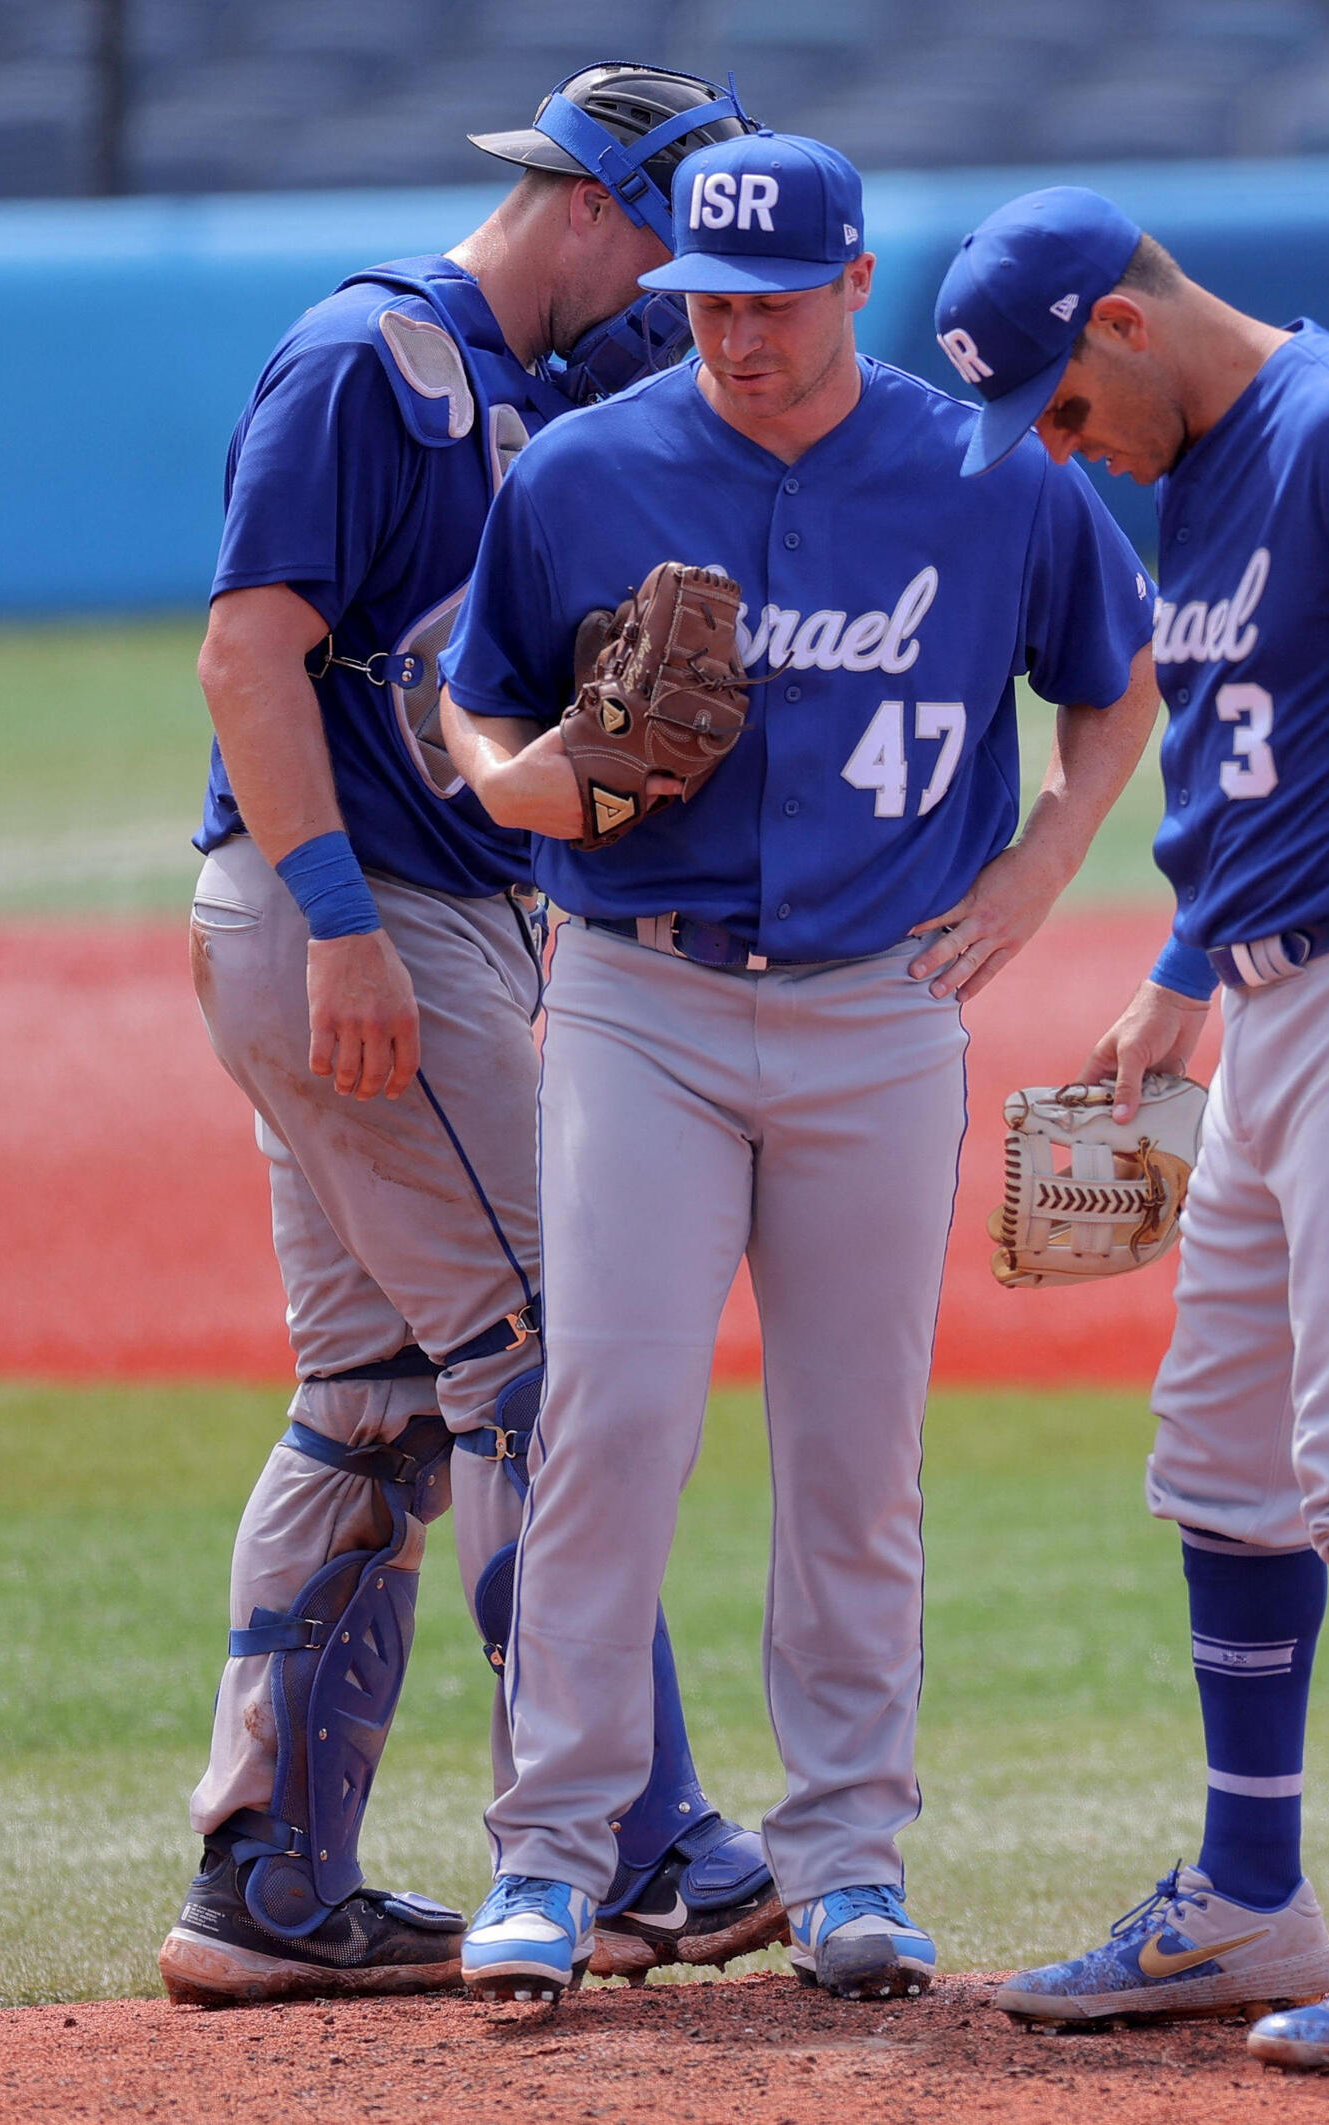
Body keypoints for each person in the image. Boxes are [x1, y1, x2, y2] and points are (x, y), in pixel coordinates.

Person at [433, 131, 1159, 2006]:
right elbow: (480, 690)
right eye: (704, 303)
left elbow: (1115, 679)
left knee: (854, 1452)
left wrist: (1042, 865)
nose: (734, 339)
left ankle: (848, 1858)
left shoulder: (986, 469)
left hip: (877, 1006)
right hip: (640, 994)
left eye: (771, 303)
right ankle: (552, 1858)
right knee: (614, 1417)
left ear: (853, 283)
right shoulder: (590, 470)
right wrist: (516, 785)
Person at [930, 186, 1329, 2071]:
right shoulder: (1202, 475)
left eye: (1061, 411)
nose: (1065, 452)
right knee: (1223, 1457)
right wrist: (1188, 967)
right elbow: (1265, 751)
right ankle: (1250, 1895)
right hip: (1279, 1005)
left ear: (1121, 328)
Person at [162, 64, 781, 2008]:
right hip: (358, 928)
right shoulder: (370, 365)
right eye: (667, 245)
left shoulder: (544, 390)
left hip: (398, 926)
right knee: (547, 1365)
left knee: (378, 1399)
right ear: (598, 204)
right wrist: (346, 928)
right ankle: (642, 1841)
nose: (680, 292)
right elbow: (247, 649)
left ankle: (266, 1880)